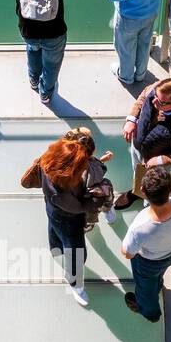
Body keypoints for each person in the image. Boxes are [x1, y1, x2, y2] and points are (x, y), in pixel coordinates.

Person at [24, 128, 113, 307]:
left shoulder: (49, 162)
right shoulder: (63, 192)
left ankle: (56, 248)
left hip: (52, 210)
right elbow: (80, 208)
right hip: (69, 219)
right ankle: (74, 283)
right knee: (77, 255)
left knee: (54, 229)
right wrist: (97, 198)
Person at [120, 165, 171, 321]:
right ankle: (157, 284)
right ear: (170, 189)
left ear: (142, 191)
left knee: (145, 291)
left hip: (148, 263)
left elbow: (128, 253)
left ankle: (151, 313)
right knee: (158, 275)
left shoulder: (140, 226)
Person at [113, 76, 171, 210]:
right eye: (155, 96)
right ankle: (137, 192)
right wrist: (131, 119)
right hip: (138, 148)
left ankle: (149, 206)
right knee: (137, 172)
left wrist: (162, 159)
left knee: (153, 190)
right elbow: (143, 96)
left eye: (161, 102)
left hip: (158, 164)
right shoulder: (158, 89)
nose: (154, 101)